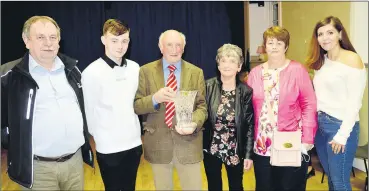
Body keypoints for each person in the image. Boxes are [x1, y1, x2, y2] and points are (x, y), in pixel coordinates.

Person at [0, 16, 94, 190]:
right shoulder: (9, 76)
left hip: (74, 163)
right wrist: (11, 144)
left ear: (59, 41)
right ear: (27, 41)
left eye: (53, 37)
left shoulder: (72, 70)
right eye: (41, 37)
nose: (48, 43)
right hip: (38, 169)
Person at [134, 29, 207, 190]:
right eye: (169, 45)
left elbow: (202, 107)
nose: (174, 49)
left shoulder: (196, 72)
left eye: (178, 45)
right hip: (158, 144)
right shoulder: (145, 71)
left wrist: (193, 123)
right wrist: (155, 99)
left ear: (184, 47)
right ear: (161, 47)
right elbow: (137, 106)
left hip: (189, 144)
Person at [247, 26, 317, 191]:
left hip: (290, 141)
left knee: (289, 186)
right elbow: (248, 110)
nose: (275, 46)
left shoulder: (298, 70)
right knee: (265, 186)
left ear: (286, 46)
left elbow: (309, 104)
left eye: (280, 43)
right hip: (262, 144)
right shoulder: (255, 73)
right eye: (270, 43)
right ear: (265, 46)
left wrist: (307, 139)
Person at [306, 16, 367, 191]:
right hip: (321, 126)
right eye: (320, 34)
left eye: (330, 32)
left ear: (340, 34)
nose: (325, 38)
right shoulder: (322, 61)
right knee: (332, 180)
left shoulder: (352, 59)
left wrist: (342, 135)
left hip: (340, 127)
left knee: (340, 182)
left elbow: (355, 103)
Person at [81, 19, 142, 191]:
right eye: (114, 40)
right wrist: (102, 136)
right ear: (103, 40)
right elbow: (89, 112)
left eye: (124, 41)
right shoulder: (91, 72)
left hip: (134, 144)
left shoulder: (135, 68)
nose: (120, 46)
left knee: (130, 187)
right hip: (108, 147)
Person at [203, 43, 254, 191]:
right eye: (223, 60)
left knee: (236, 186)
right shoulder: (207, 86)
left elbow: (250, 124)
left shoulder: (246, 92)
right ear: (218, 64)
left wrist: (248, 154)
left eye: (232, 61)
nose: (227, 65)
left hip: (235, 148)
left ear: (239, 67)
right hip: (211, 148)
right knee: (213, 186)